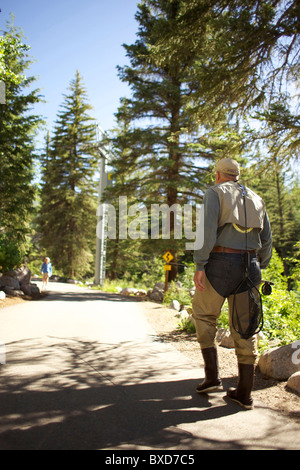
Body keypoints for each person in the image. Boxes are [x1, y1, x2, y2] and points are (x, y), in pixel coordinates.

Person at [192, 158, 272, 410]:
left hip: (219, 263)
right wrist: (259, 265)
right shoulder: (257, 198)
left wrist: (200, 265)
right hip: (251, 266)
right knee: (245, 326)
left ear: (217, 175)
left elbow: (207, 232)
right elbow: (267, 239)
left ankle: (212, 378)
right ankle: (245, 393)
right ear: (236, 175)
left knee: (204, 315)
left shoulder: (214, 193)